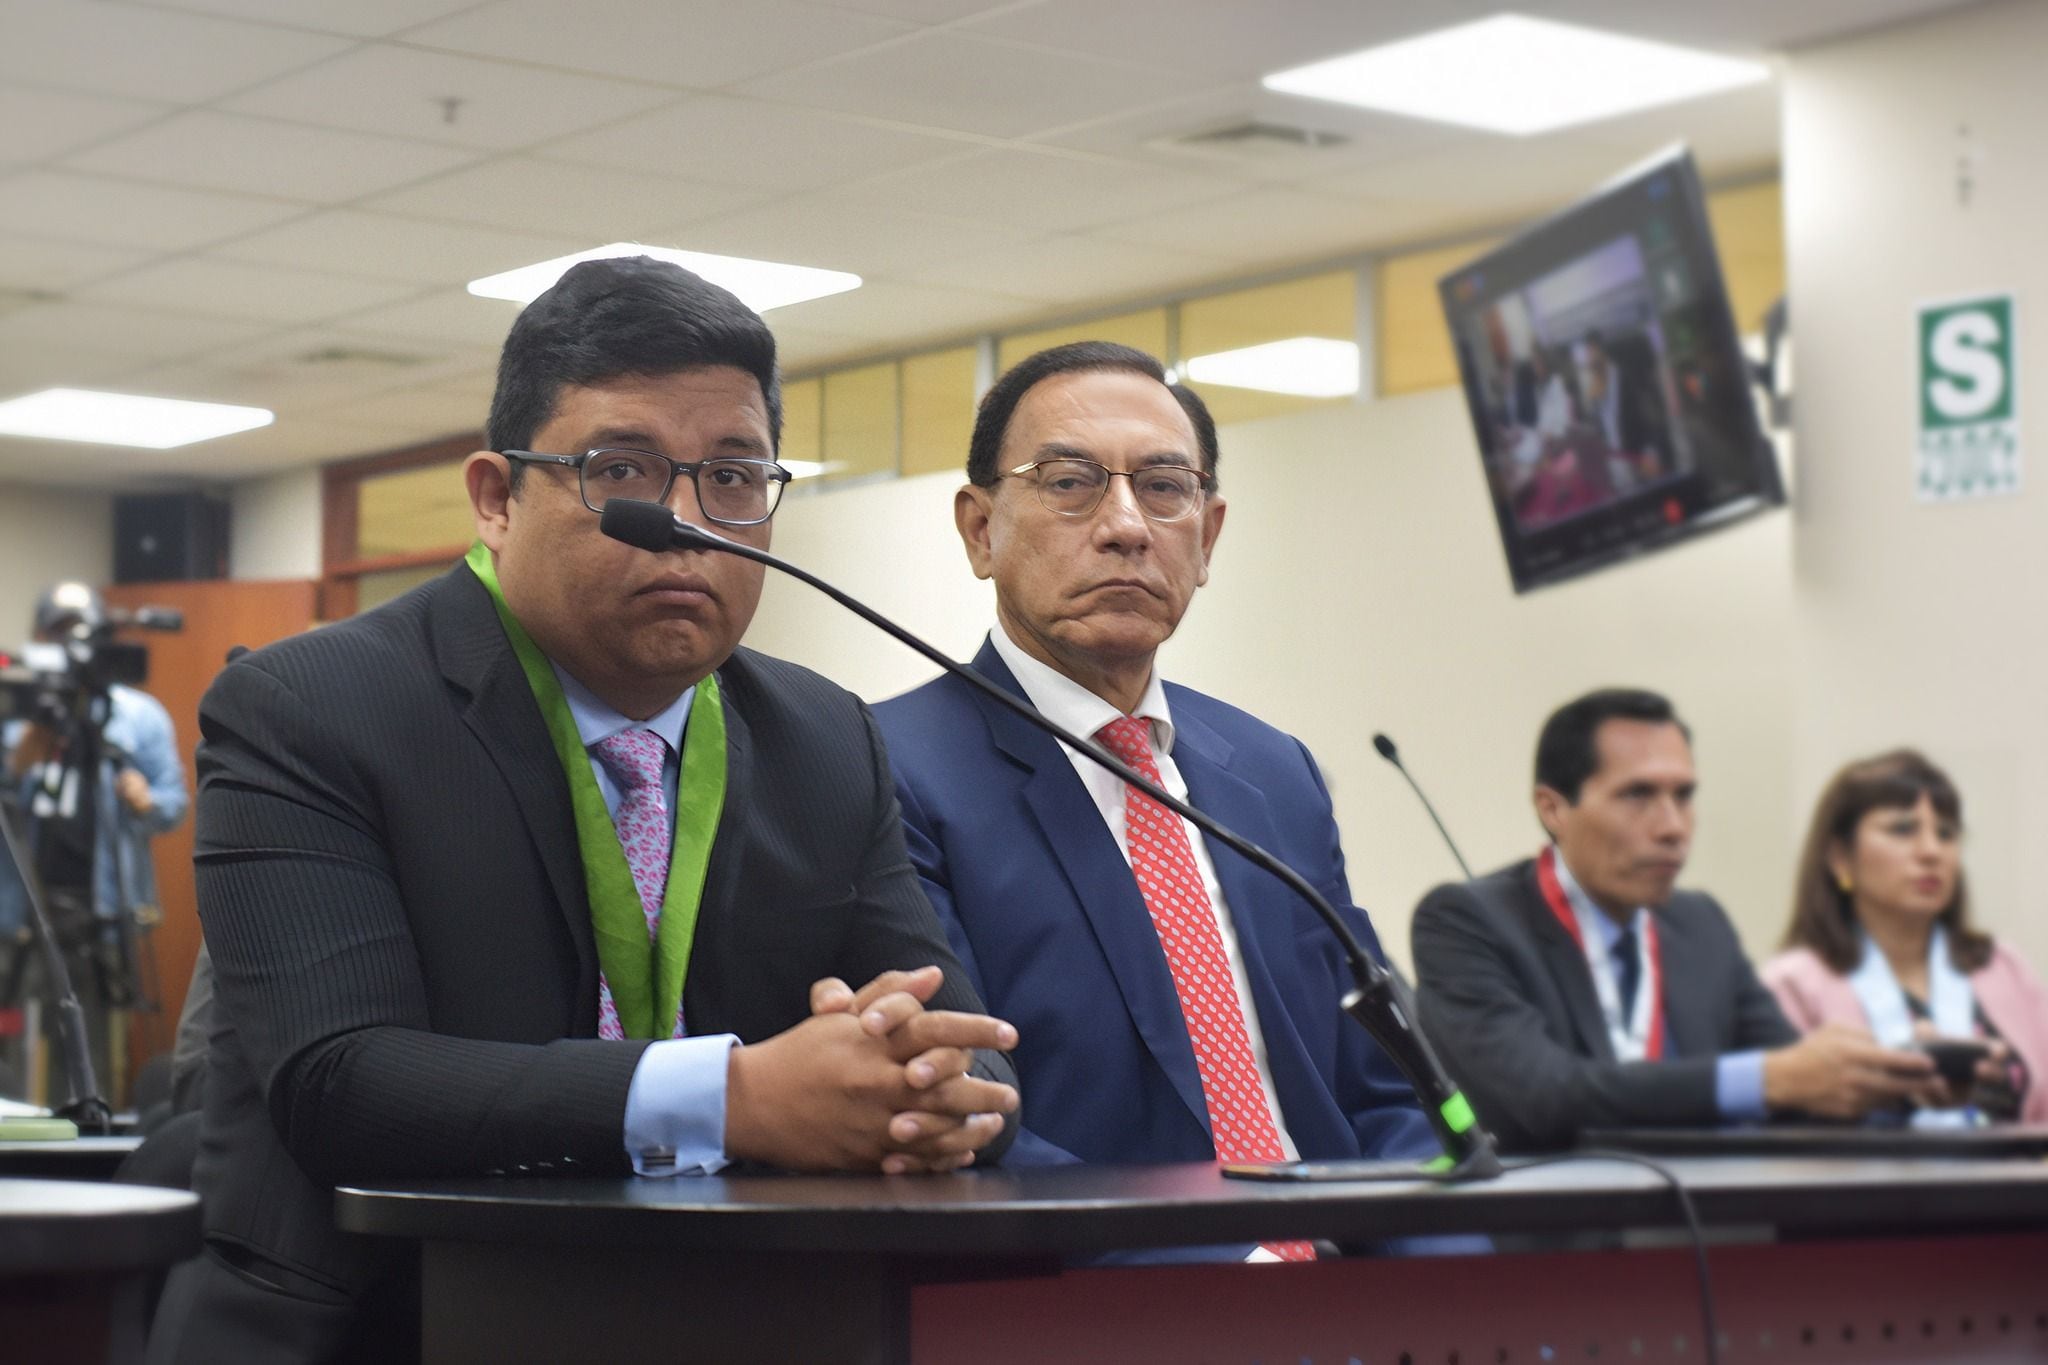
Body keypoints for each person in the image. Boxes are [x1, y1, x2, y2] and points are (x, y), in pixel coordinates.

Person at [147, 257, 1020, 1364]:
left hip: (731, 1322)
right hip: (383, 1326)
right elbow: (338, 1083)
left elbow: (977, 1059)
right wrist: (733, 1096)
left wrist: (928, 1088)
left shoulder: (824, 738)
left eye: (733, 477)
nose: (686, 523)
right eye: (621, 470)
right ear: (496, 497)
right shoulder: (311, 706)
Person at [874, 342, 1444, 1261]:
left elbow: (1388, 1088)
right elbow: (963, 1125)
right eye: (1070, 483)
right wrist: (1235, 1268)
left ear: (1207, 537)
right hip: (1113, 1293)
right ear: (980, 529)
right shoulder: (886, 769)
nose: (1126, 526)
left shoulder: (1275, 773)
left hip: (1353, 1290)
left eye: (1165, 487)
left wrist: (1439, 1271)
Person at [1412, 688, 1940, 1152]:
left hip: (1708, 1219)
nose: (1672, 827)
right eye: (1638, 795)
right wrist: (1764, 1080)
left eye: (1683, 796)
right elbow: (1546, 1096)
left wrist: (1900, 1083)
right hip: (1550, 1227)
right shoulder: (1468, 922)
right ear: (1553, 809)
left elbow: (1799, 1082)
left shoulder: (1700, 924)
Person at [1763, 750, 2048, 1124]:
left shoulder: (2002, 966)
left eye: (1946, 833)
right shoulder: (1792, 984)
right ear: (1839, 857)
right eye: (1902, 829)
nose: (1931, 852)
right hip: (1857, 1166)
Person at [1, 582, 187, 1094]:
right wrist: (29, 746)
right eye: (59, 633)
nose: (72, 646)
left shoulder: (139, 715)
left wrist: (146, 800)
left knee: (93, 1055)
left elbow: (175, 804)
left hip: (106, 912)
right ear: (40, 638)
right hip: (19, 911)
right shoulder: (15, 706)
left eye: (82, 634)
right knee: (13, 1052)